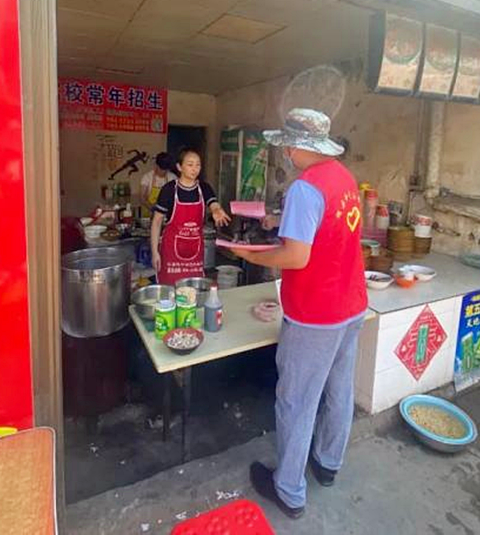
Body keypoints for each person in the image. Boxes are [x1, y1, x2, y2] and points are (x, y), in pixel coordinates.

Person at [227, 108, 367, 519]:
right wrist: (280, 221)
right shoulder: (344, 178)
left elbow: (295, 257)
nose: (285, 152)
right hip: (351, 304)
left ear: (302, 146)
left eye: (288, 145)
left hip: (316, 313)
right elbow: (326, 231)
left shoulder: (306, 188)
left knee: (297, 401)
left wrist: (250, 254)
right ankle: (327, 463)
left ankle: (288, 490)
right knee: (339, 389)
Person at [151, 149, 230, 285]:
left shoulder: (204, 188)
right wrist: (154, 252)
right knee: (169, 290)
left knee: (192, 289)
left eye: (198, 165)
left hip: (195, 252)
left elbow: (213, 203)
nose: (195, 169)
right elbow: (156, 222)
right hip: (171, 252)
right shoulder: (169, 190)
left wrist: (217, 209)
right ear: (179, 167)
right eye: (190, 164)